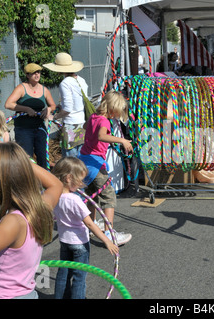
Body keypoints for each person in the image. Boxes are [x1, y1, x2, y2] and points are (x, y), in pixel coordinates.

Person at [0, 142, 63, 299]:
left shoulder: (14, 221)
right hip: (26, 294)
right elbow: (56, 185)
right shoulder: (38, 210)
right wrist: (21, 163)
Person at [52, 156, 119, 299]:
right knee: (79, 277)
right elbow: (90, 223)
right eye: (79, 180)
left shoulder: (54, 197)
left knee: (64, 272)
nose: (81, 184)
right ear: (69, 178)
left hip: (64, 242)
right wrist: (107, 241)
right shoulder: (75, 200)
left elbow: (53, 217)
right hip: (80, 244)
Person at [79, 90, 133, 245]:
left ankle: (91, 225)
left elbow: (85, 126)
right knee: (109, 196)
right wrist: (122, 141)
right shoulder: (104, 121)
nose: (118, 114)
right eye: (118, 110)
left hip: (84, 160)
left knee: (92, 195)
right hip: (95, 164)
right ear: (112, 108)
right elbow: (102, 136)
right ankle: (110, 233)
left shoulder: (93, 117)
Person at [5, 63, 56, 168]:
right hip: (24, 129)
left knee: (42, 156)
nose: (37, 75)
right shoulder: (21, 88)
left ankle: (44, 180)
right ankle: (28, 181)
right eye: (33, 73)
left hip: (40, 127)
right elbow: (8, 104)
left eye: (38, 72)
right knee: (27, 158)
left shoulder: (44, 90)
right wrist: (26, 109)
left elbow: (53, 105)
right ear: (27, 75)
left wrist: (48, 109)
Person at [44, 53, 88, 157]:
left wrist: (54, 117)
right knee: (81, 158)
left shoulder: (65, 83)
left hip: (70, 126)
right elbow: (79, 102)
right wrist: (61, 106)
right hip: (82, 124)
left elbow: (68, 109)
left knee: (70, 161)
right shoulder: (81, 80)